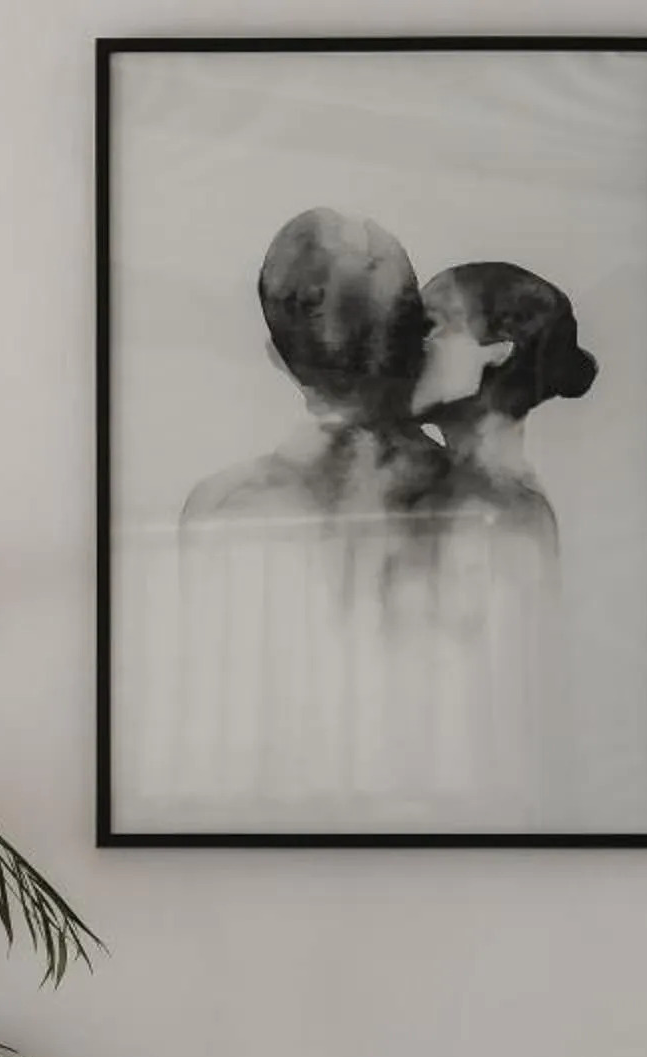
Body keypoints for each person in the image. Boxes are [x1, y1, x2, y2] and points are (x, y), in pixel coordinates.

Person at [159, 210, 454, 814]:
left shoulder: (219, 508)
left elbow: (216, 712)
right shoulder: (488, 498)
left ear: (276, 356)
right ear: (419, 341)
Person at [412, 262, 597, 814]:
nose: (408, 349)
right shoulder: (493, 496)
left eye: (432, 327)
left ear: (496, 354)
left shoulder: (497, 513)